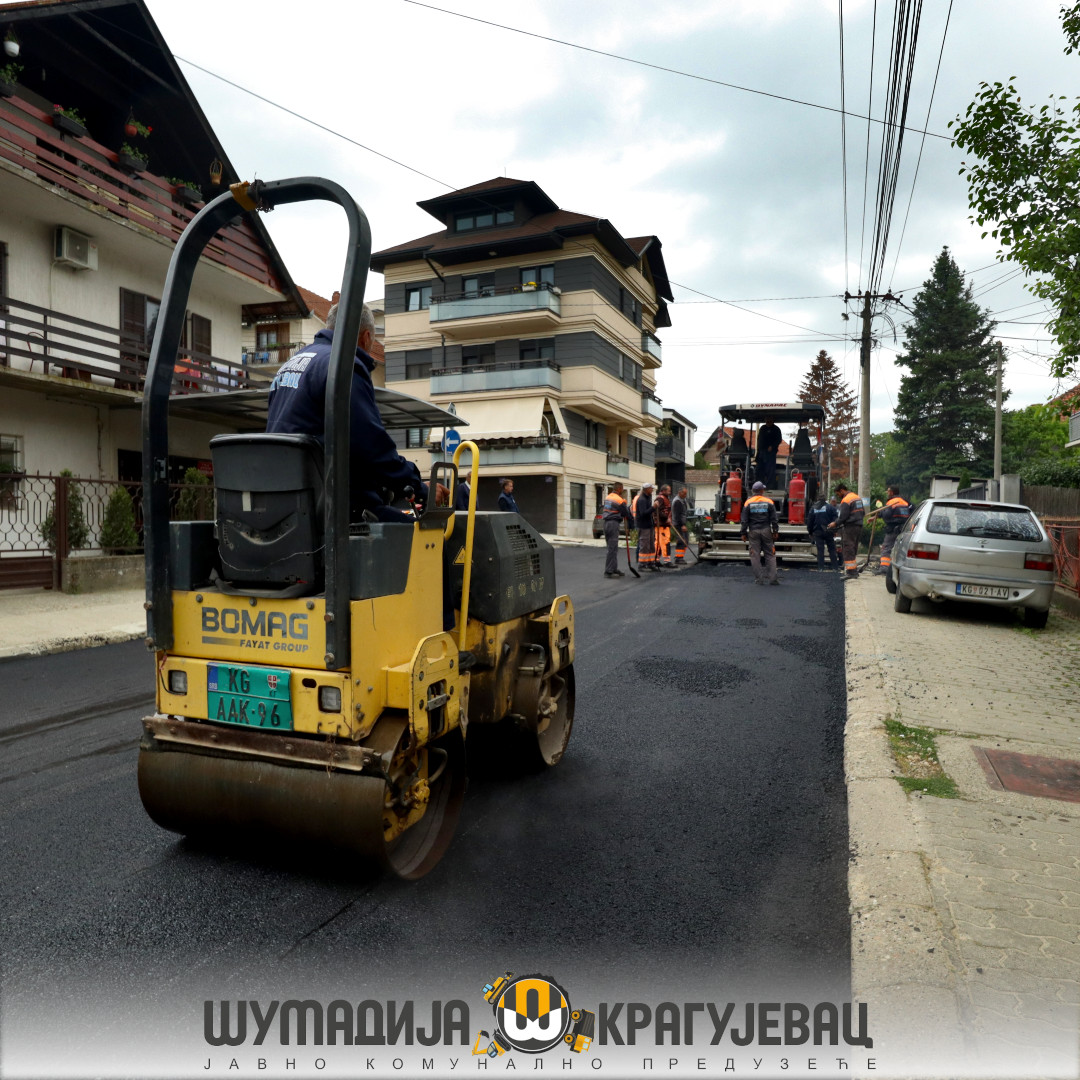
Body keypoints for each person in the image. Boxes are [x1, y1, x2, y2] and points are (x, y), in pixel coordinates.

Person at [266, 302, 423, 522]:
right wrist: (417, 486)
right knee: (422, 533)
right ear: (366, 337)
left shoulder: (291, 364)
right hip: (334, 506)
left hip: (285, 500)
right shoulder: (343, 366)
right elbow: (370, 447)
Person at [740, 479, 779, 584]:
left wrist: (743, 533)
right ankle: (773, 579)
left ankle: (759, 579)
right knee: (770, 554)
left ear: (753, 491)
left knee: (755, 555)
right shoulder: (769, 502)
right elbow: (774, 519)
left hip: (753, 531)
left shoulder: (748, 502)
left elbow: (744, 520)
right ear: (761, 491)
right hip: (766, 530)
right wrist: (775, 531)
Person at [828, 482, 866, 579]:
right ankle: (853, 570)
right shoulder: (857, 497)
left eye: (838, 494)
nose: (838, 496)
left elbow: (843, 516)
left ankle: (851, 572)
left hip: (850, 526)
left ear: (841, 490)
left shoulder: (846, 500)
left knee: (848, 548)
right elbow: (863, 512)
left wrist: (835, 523)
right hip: (859, 525)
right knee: (853, 547)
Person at [878, 484, 912, 576]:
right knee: (900, 549)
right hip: (903, 529)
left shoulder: (892, 502)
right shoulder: (904, 502)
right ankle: (897, 568)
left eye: (888, 491)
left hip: (892, 529)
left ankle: (884, 568)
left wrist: (881, 511)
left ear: (892, 492)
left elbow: (887, 515)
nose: (887, 493)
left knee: (886, 548)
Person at [601, 482, 633, 578]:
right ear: (619, 488)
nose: (622, 490)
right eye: (622, 488)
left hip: (606, 523)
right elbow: (625, 513)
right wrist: (624, 504)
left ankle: (613, 568)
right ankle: (609, 571)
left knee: (612, 547)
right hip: (613, 523)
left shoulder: (608, 497)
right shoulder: (619, 500)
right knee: (612, 548)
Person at [806, 495, 841, 571]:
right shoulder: (830, 507)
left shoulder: (813, 508)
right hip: (828, 531)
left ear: (817, 499)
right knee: (832, 549)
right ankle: (835, 568)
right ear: (825, 500)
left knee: (820, 550)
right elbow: (835, 519)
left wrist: (810, 532)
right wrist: (834, 530)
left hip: (817, 532)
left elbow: (810, 521)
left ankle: (821, 568)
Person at [633, 482, 657, 572]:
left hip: (649, 525)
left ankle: (650, 563)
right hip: (643, 526)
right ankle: (642, 564)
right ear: (646, 489)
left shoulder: (647, 498)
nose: (652, 490)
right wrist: (653, 507)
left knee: (651, 545)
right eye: (651, 488)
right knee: (644, 545)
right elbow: (643, 513)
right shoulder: (642, 500)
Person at [755, 416, 783, 489]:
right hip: (761, 453)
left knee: (770, 470)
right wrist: (758, 452)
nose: (768, 422)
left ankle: (769, 486)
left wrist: (772, 446)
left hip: (770, 453)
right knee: (759, 470)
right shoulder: (762, 428)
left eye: (770, 421)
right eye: (767, 420)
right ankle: (759, 486)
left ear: (773, 421)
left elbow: (779, 440)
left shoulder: (776, 429)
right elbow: (759, 440)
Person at [654, 484, 673, 566]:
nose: (670, 492)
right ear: (664, 491)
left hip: (663, 524)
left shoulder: (665, 498)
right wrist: (666, 518)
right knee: (665, 542)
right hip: (662, 525)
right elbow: (657, 510)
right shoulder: (660, 499)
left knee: (659, 543)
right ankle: (667, 560)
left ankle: (656, 560)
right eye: (669, 491)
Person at [670, 486, 689, 565]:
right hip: (678, 524)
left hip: (681, 524)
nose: (685, 495)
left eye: (686, 494)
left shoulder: (682, 500)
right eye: (684, 494)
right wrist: (682, 525)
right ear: (679, 493)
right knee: (681, 540)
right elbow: (677, 515)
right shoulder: (677, 502)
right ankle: (679, 558)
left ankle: (680, 557)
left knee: (685, 541)